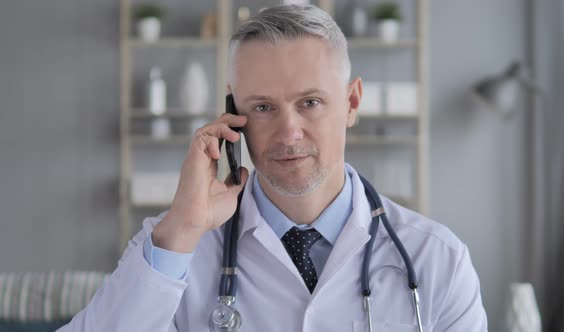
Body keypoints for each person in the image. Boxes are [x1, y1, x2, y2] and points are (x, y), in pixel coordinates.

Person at [58, 4, 487, 332]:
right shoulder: (175, 250)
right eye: (263, 107)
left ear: (352, 103)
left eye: (310, 103)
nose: (288, 132)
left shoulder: (436, 260)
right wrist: (182, 231)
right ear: (232, 112)